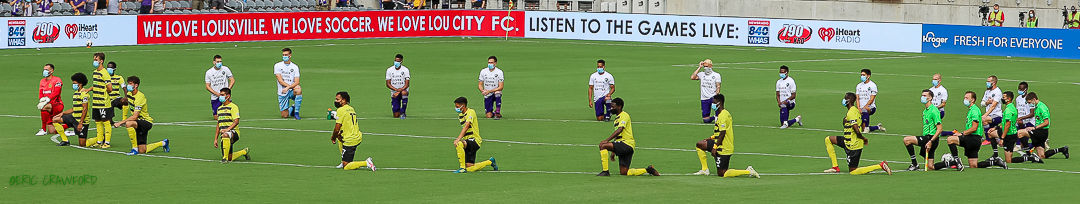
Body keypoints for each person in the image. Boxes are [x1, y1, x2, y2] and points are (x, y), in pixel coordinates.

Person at [691, 94, 760, 178]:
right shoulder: (721, 114)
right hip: (719, 143)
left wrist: (714, 147)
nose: (712, 105)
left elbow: (722, 133)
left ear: (719, 103)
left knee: (722, 173)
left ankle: (748, 171)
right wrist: (711, 138)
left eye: (714, 103)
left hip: (724, 148)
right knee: (700, 145)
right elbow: (719, 131)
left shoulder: (723, 116)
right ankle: (705, 169)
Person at [822, 92, 892, 175]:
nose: (843, 100)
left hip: (853, 145)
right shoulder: (854, 110)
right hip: (847, 140)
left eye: (845, 98)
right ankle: (835, 167)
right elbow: (860, 124)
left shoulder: (851, 112)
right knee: (828, 139)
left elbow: (856, 129)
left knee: (853, 171)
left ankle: (880, 165)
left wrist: (863, 138)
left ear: (848, 100)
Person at [596, 98, 660, 176]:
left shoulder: (624, 115)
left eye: (613, 106)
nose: (611, 108)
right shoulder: (617, 119)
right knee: (624, 172)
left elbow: (620, 130)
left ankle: (605, 171)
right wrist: (613, 151)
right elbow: (618, 135)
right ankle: (648, 170)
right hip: (625, 145)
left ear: (619, 107)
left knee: (603, 145)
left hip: (626, 144)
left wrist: (607, 140)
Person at [949, 91, 1008, 169]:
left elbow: (974, 128)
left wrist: (962, 133)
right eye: (964, 98)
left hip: (973, 138)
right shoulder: (972, 110)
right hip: (975, 139)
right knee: (974, 165)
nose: (965, 99)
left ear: (972, 100)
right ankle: (994, 162)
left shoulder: (974, 111)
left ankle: (956, 161)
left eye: (967, 98)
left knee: (950, 139)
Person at [114, 76, 169, 155]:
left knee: (129, 123)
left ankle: (134, 149)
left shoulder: (140, 97)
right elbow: (125, 101)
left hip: (145, 122)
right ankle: (164, 143)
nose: (128, 85)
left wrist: (120, 122)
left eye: (130, 84)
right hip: (138, 123)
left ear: (136, 85)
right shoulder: (129, 94)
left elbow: (135, 116)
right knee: (142, 150)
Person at [330, 91, 376, 171]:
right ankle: (343, 159)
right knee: (339, 136)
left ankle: (366, 163)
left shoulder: (340, 110)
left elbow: (337, 128)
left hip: (350, 140)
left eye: (337, 99)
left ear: (343, 100)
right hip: (357, 136)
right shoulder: (351, 108)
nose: (335, 101)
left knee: (346, 166)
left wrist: (333, 137)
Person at [451, 97, 498, 173]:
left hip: (474, 140)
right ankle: (490, 162)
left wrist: (458, 138)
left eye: (457, 106)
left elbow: (466, 126)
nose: (456, 108)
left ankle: (462, 168)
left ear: (463, 106)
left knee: (459, 144)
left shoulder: (471, 112)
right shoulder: (460, 115)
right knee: (470, 168)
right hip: (468, 141)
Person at [901, 90, 944, 171]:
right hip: (928, 138)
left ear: (930, 98)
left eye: (924, 96)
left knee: (907, 140)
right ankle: (951, 162)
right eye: (922, 95)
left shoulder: (934, 111)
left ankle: (914, 164)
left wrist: (931, 141)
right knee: (930, 167)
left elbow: (940, 129)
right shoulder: (925, 111)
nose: (922, 97)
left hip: (931, 138)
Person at [1021, 92, 1069, 161]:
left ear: (1034, 99)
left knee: (1020, 132)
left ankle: (1028, 155)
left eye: (1029, 102)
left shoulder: (1042, 108)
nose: (1029, 104)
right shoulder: (1037, 107)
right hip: (1040, 131)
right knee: (1041, 156)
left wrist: (1034, 128)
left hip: (1041, 132)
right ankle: (1062, 149)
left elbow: (1046, 122)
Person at [52, 73, 91, 147]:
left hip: (82, 121)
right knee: (55, 119)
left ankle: (100, 138)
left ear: (80, 84)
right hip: (73, 117)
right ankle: (65, 140)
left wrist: (80, 123)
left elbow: (85, 109)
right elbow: (74, 108)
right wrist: (63, 113)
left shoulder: (84, 94)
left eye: (74, 83)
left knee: (83, 144)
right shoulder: (76, 93)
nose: (73, 85)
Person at [214, 88, 250, 163]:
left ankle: (224, 159)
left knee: (226, 135)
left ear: (228, 96)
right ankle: (244, 152)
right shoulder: (219, 109)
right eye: (220, 95)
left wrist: (227, 130)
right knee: (230, 158)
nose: (220, 96)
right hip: (224, 135)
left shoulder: (233, 107)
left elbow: (236, 121)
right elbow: (218, 124)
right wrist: (215, 138)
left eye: (222, 95)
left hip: (234, 132)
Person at [1000, 91, 1033, 164]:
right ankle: (1029, 157)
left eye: (1003, 97)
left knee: (1008, 160)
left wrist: (1002, 137)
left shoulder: (1008, 110)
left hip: (1009, 134)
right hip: (1012, 133)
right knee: (1008, 159)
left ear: (1008, 99)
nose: (1002, 99)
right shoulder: (1012, 108)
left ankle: (1029, 158)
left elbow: (1008, 124)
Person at [89, 53, 114, 148]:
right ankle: (99, 141)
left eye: (96, 59)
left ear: (101, 61)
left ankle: (107, 142)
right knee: (98, 122)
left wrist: (104, 93)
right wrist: (89, 89)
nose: (94, 61)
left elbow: (110, 88)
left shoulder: (105, 73)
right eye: (94, 59)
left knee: (106, 121)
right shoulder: (95, 72)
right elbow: (96, 85)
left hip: (103, 103)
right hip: (95, 102)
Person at [689, 59, 721, 123]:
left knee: (718, 116)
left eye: (707, 66)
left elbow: (718, 86)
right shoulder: (702, 74)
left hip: (713, 97)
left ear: (711, 66)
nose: (705, 68)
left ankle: (719, 117)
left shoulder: (716, 75)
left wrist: (716, 98)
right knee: (706, 120)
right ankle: (714, 117)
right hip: (704, 98)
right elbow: (692, 77)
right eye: (704, 66)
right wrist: (699, 67)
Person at [274, 48, 303, 120]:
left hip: (291, 90)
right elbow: (280, 80)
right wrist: (288, 87)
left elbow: (297, 81)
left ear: (290, 55)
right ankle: (292, 109)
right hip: (282, 91)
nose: (284, 56)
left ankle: (296, 113)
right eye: (283, 55)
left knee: (298, 90)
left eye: (286, 55)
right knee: (285, 115)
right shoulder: (277, 65)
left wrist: (288, 88)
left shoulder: (295, 67)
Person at [205, 55, 235, 119]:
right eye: (218, 61)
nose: (219, 63)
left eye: (220, 61)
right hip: (215, 97)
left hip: (225, 97)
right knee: (216, 117)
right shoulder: (209, 72)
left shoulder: (225, 69)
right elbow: (207, 86)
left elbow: (232, 80)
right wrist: (217, 94)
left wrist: (227, 91)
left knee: (229, 115)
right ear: (214, 62)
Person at [38, 64, 64, 136]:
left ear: (51, 71)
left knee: (43, 107)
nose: (44, 71)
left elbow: (57, 92)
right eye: (44, 69)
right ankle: (68, 126)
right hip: (48, 105)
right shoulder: (42, 81)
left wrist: (47, 100)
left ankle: (43, 129)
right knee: (52, 131)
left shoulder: (57, 80)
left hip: (57, 105)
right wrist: (41, 100)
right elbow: (41, 93)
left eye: (46, 69)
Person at [103, 61, 124, 148]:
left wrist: (126, 96)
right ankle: (111, 121)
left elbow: (124, 87)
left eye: (110, 67)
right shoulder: (104, 77)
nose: (109, 69)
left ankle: (124, 119)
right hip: (107, 100)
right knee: (108, 119)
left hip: (116, 98)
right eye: (108, 67)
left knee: (124, 101)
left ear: (114, 69)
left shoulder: (119, 78)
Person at [385, 54, 410, 119]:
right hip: (394, 93)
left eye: (398, 61)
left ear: (401, 61)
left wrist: (399, 91)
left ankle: (403, 112)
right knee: (396, 115)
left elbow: (407, 84)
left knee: (404, 93)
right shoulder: (389, 70)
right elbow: (388, 84)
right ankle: (399, 111)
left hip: (403, 90)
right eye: (395, 60)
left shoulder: (405, 70)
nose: (396, 62)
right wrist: (396, 90)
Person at [981, 76, 1003, 145]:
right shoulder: (987, 91)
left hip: (997, 115)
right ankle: (996, 138)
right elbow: (982, 103)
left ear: (993, 83)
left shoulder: (997, 92)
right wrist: (987, 102)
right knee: (995, 137)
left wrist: (985, 115)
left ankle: (988, 139)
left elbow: (993, 106)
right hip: (990, 115)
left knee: (983, 119)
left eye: (988, 81)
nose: (987, 83)